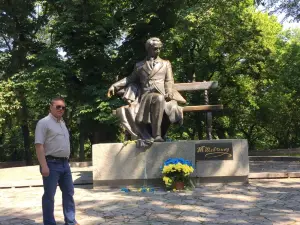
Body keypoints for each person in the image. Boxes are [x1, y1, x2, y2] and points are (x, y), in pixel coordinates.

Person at [107, 37, 186, 145]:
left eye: (159, 49)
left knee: (159, 98)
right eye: (155, 49)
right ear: (148, 49)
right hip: (145, 97)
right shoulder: (140, 65)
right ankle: (156, 135)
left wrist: (170, 92)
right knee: (156, 99)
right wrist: (115, 86)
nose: (158, 51)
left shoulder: (165, 63)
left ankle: (157, 135)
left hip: (163, 95)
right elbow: (130, 78)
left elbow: (169, 80)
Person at [35, 97, 79, 225]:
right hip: (51, 163)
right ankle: (49, 222)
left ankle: (70, 221)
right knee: (49, 196)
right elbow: (39, 145)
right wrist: (44, 166)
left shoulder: (62, 123)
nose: (61, 109)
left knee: (69, 193)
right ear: (51, 107)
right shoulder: (44, 123)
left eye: (63, 107)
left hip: (65, 164)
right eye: (58, 107)